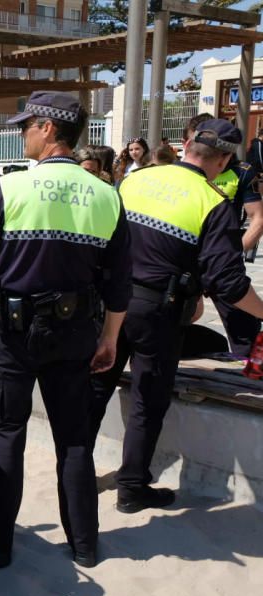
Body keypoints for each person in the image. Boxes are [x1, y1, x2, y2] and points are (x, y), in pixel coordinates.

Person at [0, 91, 132, 568]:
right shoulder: (107, 196)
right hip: (75, 337)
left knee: (7, 435)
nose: (22, 133)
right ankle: (85, 545)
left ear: (48, 129)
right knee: (74, 440)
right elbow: (119, 285)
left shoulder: (13, 188)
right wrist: (110, 339)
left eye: (25, 126)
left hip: (12, 337)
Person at [90, 118, 263, 514]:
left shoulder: (134, 180)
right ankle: (132, 488)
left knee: (96, 388)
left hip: (110, 302)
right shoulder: (213, 203)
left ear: (187, 146)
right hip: (158, 313)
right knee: (149, 401)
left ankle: (77, 474)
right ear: (222, 159)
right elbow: (230, 284)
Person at [186, 115, 262, 357]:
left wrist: (231, 254)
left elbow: (257, 219)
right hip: (186, 259)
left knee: (244, 327)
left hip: (222, 258)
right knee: (180, 318)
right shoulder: (178, 173)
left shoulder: (242, 172)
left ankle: (249, 368)